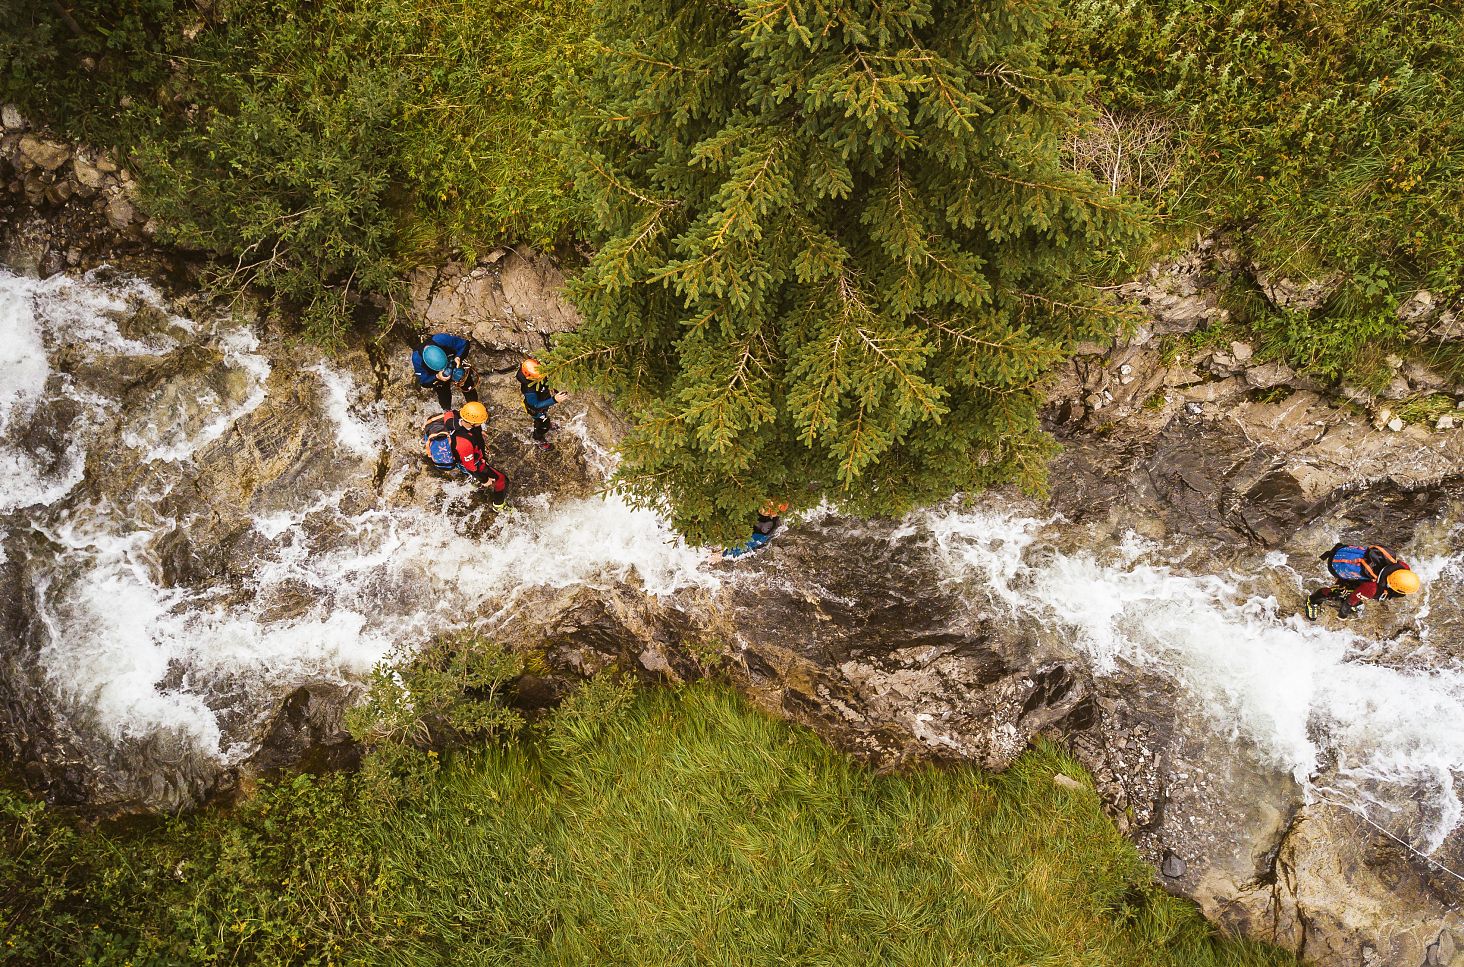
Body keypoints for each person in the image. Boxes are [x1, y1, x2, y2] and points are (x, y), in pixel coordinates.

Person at [421, 402, 508, 509]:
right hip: (466, 459)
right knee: (501, 479)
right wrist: (485, 480)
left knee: (469, 469)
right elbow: (471, 467)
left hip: (460, 454)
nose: (482, 423)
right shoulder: (464, 443)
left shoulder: (452, 415)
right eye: (481, 421)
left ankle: (473, 482)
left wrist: (478, 433)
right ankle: (499, 506)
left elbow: (451, 419)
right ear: (473, 423)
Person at [1306, 542, 1420, 620]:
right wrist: (1343, 614)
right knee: (1341, 593)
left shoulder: (1402, 568)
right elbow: (1351, 600)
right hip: (1335, 566)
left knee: (1358, 588)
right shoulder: (1372, 589)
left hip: (1345, 551)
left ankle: (1347, 584)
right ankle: (1313, 601)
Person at [411, 333, 479, 411]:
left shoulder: (442, 339)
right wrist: (437, 377)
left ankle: (474, 409)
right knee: (443, 394)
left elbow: (464, 344)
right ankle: (447, 412)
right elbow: (423, 381)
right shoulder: (417, 359)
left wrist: (458, 357)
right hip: (437, 376)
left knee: (466, 383)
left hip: (453, 363)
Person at [713, 501, 789, 561]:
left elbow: (744, 545)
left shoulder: (764, 531)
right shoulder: (756, 506)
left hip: (757, 536)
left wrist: (721, 554)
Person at [516, 357, 565, 450]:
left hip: (543, 401)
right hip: (536, 410)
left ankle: (546, 424)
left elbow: (545, 383)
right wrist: (554, 399)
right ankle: (538, 437)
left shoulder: (537, 372)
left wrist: (554, 390)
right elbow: (535, 405)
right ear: (530, 377)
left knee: (545, 418)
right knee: (543, 425)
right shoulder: (529, 389)